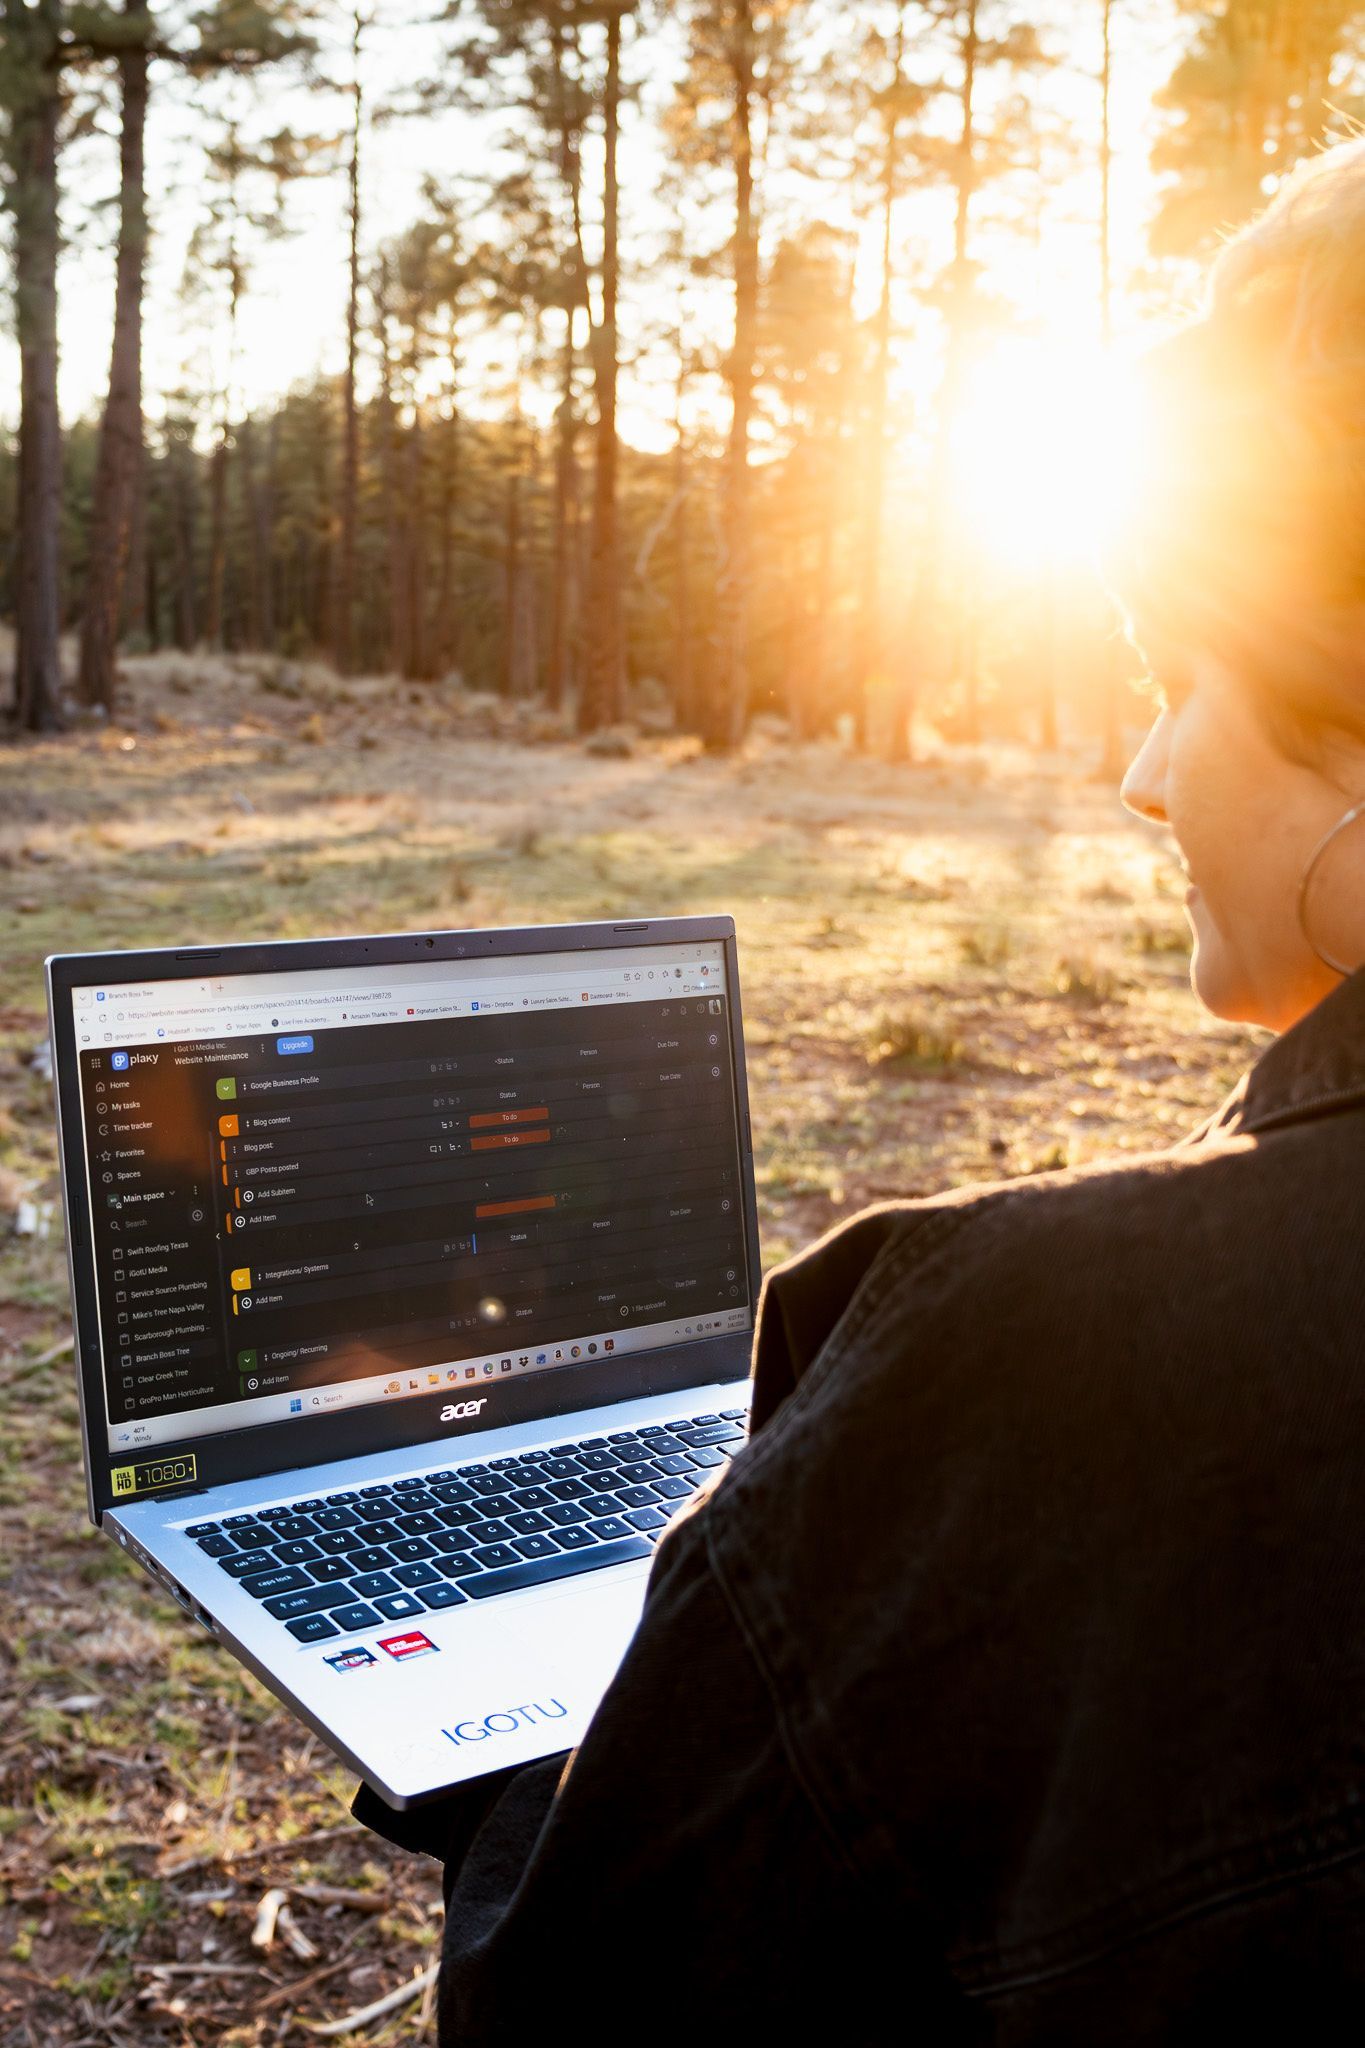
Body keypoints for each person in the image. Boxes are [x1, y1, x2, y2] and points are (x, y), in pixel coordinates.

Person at [354, 140, 1365, 2040]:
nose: (1145, 774)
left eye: (1180, 678)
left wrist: (522, 1757)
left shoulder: (1045, 1370)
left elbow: (588, 2002)